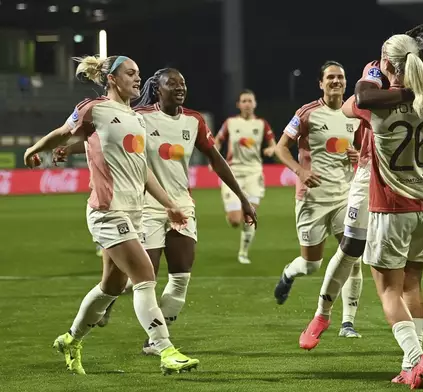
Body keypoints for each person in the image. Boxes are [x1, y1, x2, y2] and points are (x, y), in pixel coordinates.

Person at [299, 24, 423, 378]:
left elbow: (357, 104)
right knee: (352, 247)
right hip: (375, 172)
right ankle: (322, 314)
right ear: (412, 54)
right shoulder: (381, 72)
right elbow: (366, 98)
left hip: (395, 187)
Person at [54, 68, 258, 354]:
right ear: (157, 88)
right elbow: (106, 139)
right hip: (145, 205)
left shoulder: (194, 120)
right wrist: (68, 149)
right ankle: (117, 306)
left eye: (183, 82)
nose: (179, 87)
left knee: (180, 280)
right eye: (171, 83)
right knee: (140, 277)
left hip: (181, 204)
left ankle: (154, 342)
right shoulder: (140, 117)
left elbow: (216, 158)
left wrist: (242, 198)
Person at [23, 55, 198, 375]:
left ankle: (71, 339)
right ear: (112, 79)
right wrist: (36, 149)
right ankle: (166, 350)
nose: (136, 78)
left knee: (111, 287)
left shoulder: (136, 118)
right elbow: (64, 132)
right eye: (130, 73)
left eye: (138, 73)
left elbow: (144, 170)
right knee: (145, 276)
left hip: (133, 213)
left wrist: (169, 203)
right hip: (107, 212)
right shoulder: (94, 108)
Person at [344, 33, 423, 389]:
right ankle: (409, 365)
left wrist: (376, 75)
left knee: (388, 289)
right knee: (413, 283)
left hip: (391, 207)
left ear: (388, 65)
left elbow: (351, 105)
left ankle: (416, 357)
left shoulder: (377, 104)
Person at [273, 61, 364, 338]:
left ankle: (347, 322)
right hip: (312, 200)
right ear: (321, 83)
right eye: (331, 78)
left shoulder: (356, 114)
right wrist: (300, 170)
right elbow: (280, 148)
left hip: (344, 197)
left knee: (353, 257)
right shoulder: (307, 113)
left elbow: (364, 151)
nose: (336, 81)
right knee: (312, 265)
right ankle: (290, 273)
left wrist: (359, 158)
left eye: (341, 77)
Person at [214, 90, 276, 264]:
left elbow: (273, 144)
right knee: (235, 220)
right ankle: (235, 217)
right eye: (244, 101)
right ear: (238, 105)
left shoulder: (262, 124)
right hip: (232, 173)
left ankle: (243, 253)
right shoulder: (230, 123)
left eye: (250, 100)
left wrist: (271, 150)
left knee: (250, 216)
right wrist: (214, 158)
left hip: (254, 173)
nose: (247, 104)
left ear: (255, 104)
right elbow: (217, 141)